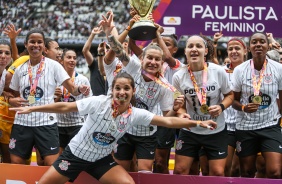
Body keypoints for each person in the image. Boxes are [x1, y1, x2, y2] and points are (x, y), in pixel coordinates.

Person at [10, 72, 217, 184]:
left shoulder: (136, 114)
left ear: (132, 91)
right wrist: (33, 108)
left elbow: (169, 121)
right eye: (118, 88)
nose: (121, 92)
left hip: (101, 160)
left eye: (126, 88)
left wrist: (198, 122)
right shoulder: (98, 102)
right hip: (74, 156)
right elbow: (65, 106)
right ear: (113, 90)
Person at [100, 12, 182, 173]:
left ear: (161, 62)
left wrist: (176, 108)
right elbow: (117, 49)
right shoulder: (134, 67)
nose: (153, 62)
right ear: (142, 58)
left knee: (145, 172)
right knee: (121, 171)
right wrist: (116, 31)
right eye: (149, 58)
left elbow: (166, 117)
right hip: (124, 128)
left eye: (157, 59)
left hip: (147, 134)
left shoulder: (165, 86)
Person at [7, 28, 90, 166]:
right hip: (22, 123)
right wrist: (11, 100)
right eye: (32, 42)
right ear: (26, 45)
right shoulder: (20, 69)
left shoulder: (54, 66)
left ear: (44, 47)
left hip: (46, 122)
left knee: (51, 163)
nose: (36, 45)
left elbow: (72, 89)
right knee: (16, 162)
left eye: (39, 42)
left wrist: (79, 89)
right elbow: (12, 94)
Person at [172, 35, 234, 176]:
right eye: (190, 46)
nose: (194, 49)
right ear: (186, 51)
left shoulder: (218, 71)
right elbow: (179, 104)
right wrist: (182, 113)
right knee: (180, 171)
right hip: (190, 130)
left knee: (217, 172)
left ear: (205, 51)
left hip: (215, 129)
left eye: (198, 46)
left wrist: (221, 107)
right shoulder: (178, 76)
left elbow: (230, 95)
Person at [232, 32, 282, 178]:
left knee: (275, 171)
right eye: (254, 42)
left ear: (268, 46)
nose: (258, 44)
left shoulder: (278, 69)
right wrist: (243, 107)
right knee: (247, 172)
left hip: (270, 126)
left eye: (262, 41)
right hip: (245, 127)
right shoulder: (240, 70)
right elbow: (233, 100)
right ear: (249, 47)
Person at [56, 49, 92, 154]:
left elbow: (89, 102)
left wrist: (85, 96)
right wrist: (56, 97)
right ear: (61, 61)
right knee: (58, 156)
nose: (72, 60)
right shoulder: (55, 79)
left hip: (77, 124)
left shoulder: (83, 80)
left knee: (75, 154)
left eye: (74, 58)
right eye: (69, 57)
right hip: (59, 124)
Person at [223, 37, 247, 177]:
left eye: (237, 48)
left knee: (240, 169)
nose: (234, 51)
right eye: (230, 49)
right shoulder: (220, 71)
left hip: (246, 126)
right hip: (227, 126)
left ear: (245, 51)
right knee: (226, 168)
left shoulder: (253, 71)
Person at [0, 39, 16, 163]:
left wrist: (5, 94)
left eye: (6, 53)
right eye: (0, 52)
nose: (3, 56)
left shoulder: (4, 74)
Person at [82, 26, 108, 96]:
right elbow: (85, 51)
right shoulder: (94, 64)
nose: (105, 51)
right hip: (95, 101)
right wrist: (92, 34)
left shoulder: (114, 67)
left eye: (107, 49)